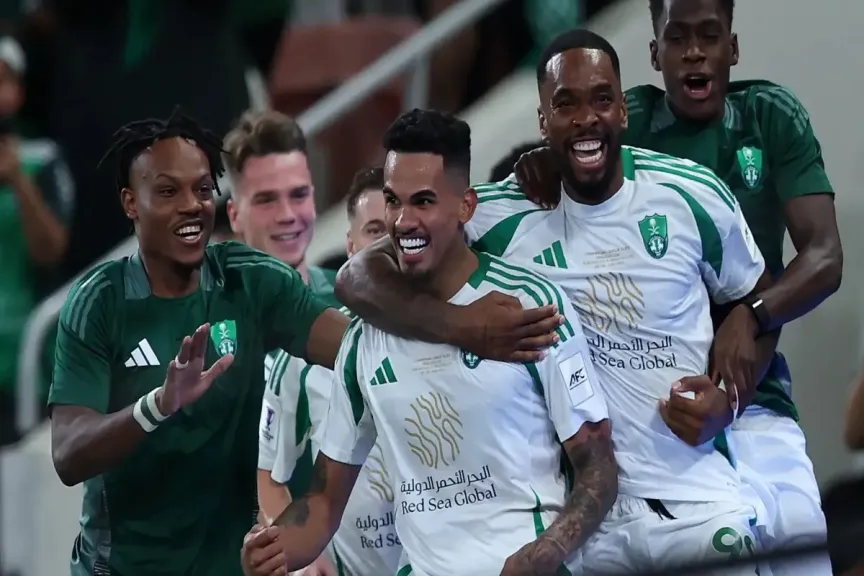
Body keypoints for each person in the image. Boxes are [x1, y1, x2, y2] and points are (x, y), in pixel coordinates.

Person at [335, 31, 777, 575]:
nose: (586, 118)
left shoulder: (692, 194)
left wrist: (731, 396)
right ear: (544, 122)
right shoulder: (495, 212)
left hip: (696, 497)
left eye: (601, 99)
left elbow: (761, 300)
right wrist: (462, 325)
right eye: (566, 104)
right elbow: (357, 277)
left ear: (623, 109)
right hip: (588, 527)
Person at [514, 2, 842, 573]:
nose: (694, 53)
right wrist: (536, 162)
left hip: (752, 385)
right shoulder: (628, 118)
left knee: (800, 542)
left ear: (732, 48)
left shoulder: (769, 114)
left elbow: (825, 256)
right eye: (677, 39)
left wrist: (751, 313)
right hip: (653, 411)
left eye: (709, 37)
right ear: (655, 53)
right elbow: (571, 145)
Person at [241, 109, 617, 576]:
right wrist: (273, 548)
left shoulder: (533, 306)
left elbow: (598, 468)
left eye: (423, 201)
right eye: (393, 201)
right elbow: (322, 501)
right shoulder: (364, 339)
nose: (403, 221)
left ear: (465, 207)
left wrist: (548, 550)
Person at [46, 109, 350, 576]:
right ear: (131, 202)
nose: (192, 204)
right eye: (169, 191)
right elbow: (68, 455)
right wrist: (158, 405)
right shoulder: (99, 301)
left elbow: (358, 355)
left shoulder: (251, 280)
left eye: (204, 189)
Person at [259, 166, 400, 576]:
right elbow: (269, 476)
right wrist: (298, 559)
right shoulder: (301, 360)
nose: (389, 242)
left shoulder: (466, 332)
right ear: (351, 245)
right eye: (375, 230)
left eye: (397, 228)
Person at [0, 34, 75, 445]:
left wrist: (17, 180)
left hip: (24, 366)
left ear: (17, 92)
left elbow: (50, 252)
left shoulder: (42, 160)